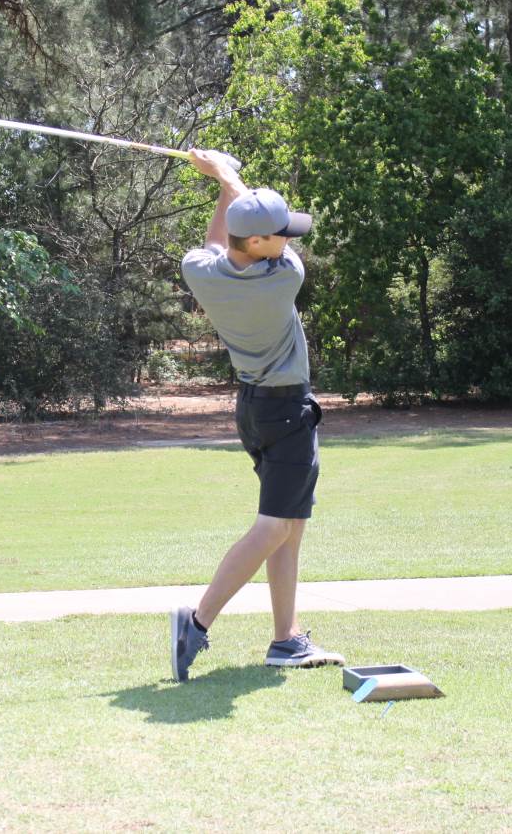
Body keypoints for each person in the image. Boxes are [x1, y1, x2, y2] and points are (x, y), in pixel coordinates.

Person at [169, 148, 345, 683]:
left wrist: (224, 181)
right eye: (283, 233)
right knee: (274, 527)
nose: (291, 239)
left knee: (290, 524)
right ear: (262, 244)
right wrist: (225, 174)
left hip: (254, 409)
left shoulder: (199, 272)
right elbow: (236, 232)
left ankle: (286, 639)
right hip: (287, 409)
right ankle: (196, 622)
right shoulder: (284, 275)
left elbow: (218, 241)